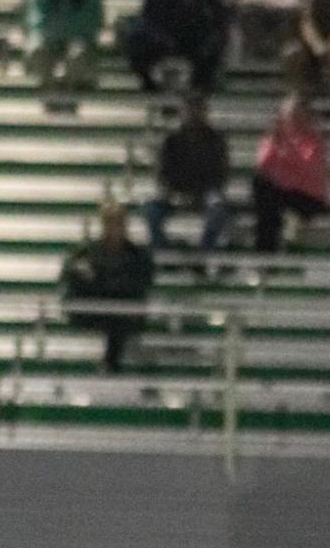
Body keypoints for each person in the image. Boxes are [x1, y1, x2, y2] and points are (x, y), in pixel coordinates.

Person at [59, 201, 155, 372]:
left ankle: (110, 364)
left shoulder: (137, 255)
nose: (115, 227)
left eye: (119, 222)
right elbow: (71, 277)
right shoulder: (86, 252)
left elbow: (140, 283)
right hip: (92, 310)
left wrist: (98, 280)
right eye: (110, 222)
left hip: (122, 313)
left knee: (120, 317)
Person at [118, 0, 230, 94]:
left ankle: (198, 89)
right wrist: (165, 43)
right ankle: (153, 88)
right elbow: (147, 25)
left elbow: (220, 23)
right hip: (161, 52)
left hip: (194, 54)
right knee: (133, 34)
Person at [144, 94, 231, 255]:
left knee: (218, 211)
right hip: (175, 193)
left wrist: (199, 194)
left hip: (205, 194)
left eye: (198, 109)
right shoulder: (171, 141)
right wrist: (174, 193)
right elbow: (163, 174)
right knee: (151, 210)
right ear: (182, 112)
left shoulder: (216, 141)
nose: (193, 114)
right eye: (190, 110)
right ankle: (163, 251)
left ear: (205, 112)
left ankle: (204, 254)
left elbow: (220, 175)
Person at [251, 87, 330, 252]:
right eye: (289, 113)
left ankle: (268, 253)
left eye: (296, 113)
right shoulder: (275, 137)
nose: (292, 118)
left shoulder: (313, 140)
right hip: (280, 194)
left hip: (308, 197)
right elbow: (262, 165)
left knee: (271, 201)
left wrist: (283, 161)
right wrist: (275, 143)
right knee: (262, 189)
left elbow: (308, 169)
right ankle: (265, 255)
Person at [23, 0, 104, 96]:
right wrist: (55, 32)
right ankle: (49, 88)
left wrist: (68, 31)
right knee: (36, 50)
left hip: (79, 41)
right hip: (49, 41)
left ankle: (68, 91)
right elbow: (36, 21)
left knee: (77, 54)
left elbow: (95, 21)